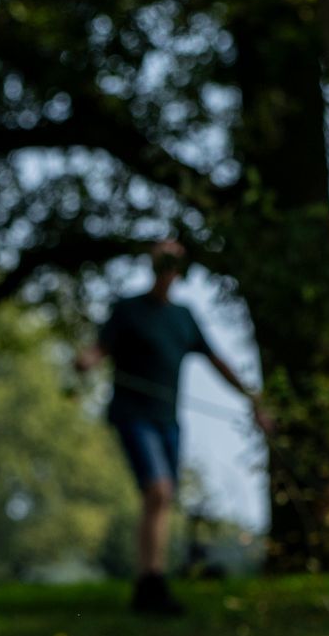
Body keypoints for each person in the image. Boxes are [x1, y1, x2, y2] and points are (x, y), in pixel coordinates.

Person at [76, 240, 270, 615]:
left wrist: (252, 398)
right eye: (161, 261)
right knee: (159, 491)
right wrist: (87, 359)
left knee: (163, 499)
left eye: (173, 263)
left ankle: (151, 583)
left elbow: (218, 360)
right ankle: (150, 583)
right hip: (133, 414)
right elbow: (100, 348)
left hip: (168, 420)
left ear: (180, 270)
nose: (167, 269)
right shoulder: (129, 310)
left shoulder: (183, 317)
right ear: (152, 265)